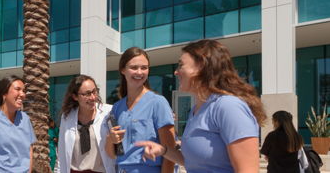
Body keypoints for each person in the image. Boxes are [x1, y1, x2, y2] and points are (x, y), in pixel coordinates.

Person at [136, 39, 266, 173]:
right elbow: (195, 163)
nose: (176, 71)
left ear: (202, 66)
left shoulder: (228, 106)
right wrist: (163, 150)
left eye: (181, 65)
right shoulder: (196, 110)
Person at [106, 47, 176, 173]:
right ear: (123, 70)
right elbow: (112, 155)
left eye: (144, 68)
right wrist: (110, 140)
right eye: (134, 68)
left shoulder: (158, 103)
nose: (139, 72)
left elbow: (170, 153)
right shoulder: (117, 108)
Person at [57, 75, 114, 173]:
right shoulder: (67, 117)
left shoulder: (108, 112)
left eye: (94, 91)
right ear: (75, 96)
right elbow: (62, 152)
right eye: (86, 94)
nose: (92, 97)